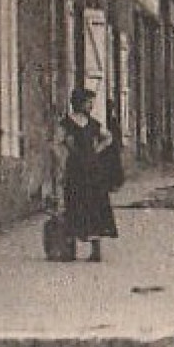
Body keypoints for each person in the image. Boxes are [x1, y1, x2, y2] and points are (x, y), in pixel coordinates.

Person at [53, 86, 119, 262]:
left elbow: (108, 137)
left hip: (92, 169)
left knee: (95, 204)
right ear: (79, 103)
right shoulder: (66, 123)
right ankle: (70, 249)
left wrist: (96, 149)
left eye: (92, 102)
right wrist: (63, 159)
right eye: (88, 102)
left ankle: (96, 250)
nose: (91, 106)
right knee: (74, 203)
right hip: (75, 169)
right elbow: (56, 143)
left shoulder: (93, 123)